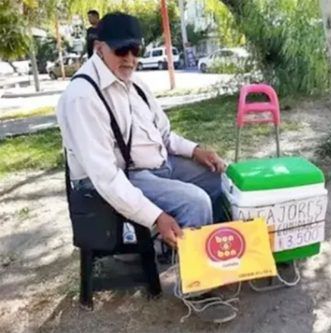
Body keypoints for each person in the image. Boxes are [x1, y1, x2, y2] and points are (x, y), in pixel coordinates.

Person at [57, 12, 236, 323]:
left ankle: (222, 255)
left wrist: (195, 150)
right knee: (195, 201)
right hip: (122, 177)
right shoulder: (83, 96)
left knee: (224, 176)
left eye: (135, 51)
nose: (129, 59)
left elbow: (164, 135)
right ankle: (197, 286)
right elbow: (106, 177)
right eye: (120, 51)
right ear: (100, 48)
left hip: (156, 165)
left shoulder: (135, 83)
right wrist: (156, 216)